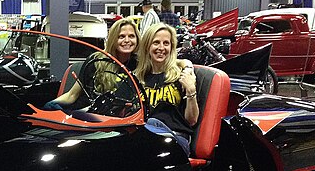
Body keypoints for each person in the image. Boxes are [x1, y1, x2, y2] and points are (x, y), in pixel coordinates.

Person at [44, 17, 140, 110]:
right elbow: (72, 94)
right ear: (113, 39)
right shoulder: (96, 60)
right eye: (121, 36)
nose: (127, 40)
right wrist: (53, 104)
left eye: (131, 36)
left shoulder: (139, 65)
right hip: (84, 115)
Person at [134, 23, 199, 157]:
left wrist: (191, 91)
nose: (161, 48)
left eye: (166, 43)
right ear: (147, 46)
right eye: (156, 43)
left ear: (172, 47)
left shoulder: (182, 75)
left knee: (151, 122)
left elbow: (192, 121)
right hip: (146, 138)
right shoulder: (138, 78)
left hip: (175, 139)